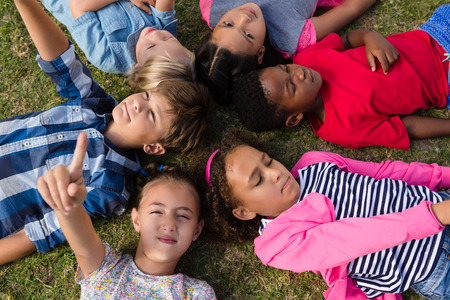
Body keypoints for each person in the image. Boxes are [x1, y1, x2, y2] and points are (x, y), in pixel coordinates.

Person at [0, 0, 209, 266]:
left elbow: (37, 235)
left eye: (153, 114)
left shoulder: (109, 186)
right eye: (145, 96)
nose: (137, 104)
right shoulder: (94, 102)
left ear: (154, 147)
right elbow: (61, 61)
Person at [204, 129, 450, 299]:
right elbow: (353, 237)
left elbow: (384, 172)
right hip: (432, 264)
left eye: (268, 161)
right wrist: (434, 216)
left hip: (439, 204)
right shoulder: (278, 243)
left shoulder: (314, 163)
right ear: (245, 212)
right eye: (258, 180)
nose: (275, 173)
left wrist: (443, 177)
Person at [232, 4, 450, 150]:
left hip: (434, 33)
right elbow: (405, 127)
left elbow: (345, 40)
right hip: (444, 82)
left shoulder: (307, 58)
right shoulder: (342, 129)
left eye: (285, 69)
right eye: (292, 87)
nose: (297, 73)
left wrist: (369, 36)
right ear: (295, 118)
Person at [37, 134, 216, 298]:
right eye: (157, 211)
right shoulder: (106, 267)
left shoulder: (197, 295)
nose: (169, 224)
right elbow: (83, 243)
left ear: (197, 230)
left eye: (183, 216)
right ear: (137, 220)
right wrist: (68, 207)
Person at [195, 0, 377, 103]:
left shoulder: (213, 7)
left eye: (227, 24)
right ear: (260, 53)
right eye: (248, 34)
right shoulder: (292, 36)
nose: (243, 16)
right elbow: (351, 8)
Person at [42, 0, 194, 74]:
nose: (156, 34)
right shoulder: (167, 42)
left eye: (151, 46)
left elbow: (77, 5)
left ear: (138, 70)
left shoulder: (108, 57)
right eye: (169, 38)